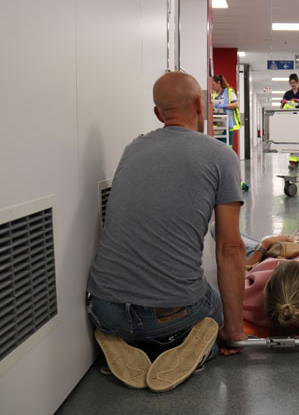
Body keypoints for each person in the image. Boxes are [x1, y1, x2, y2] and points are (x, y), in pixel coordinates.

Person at [86, 72, 247, 392]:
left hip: (103, 308)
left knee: (133, 310)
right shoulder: (221, 156)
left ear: (159, 114)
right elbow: (230, 249)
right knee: (213, 301)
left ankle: (120, 339)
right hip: (172, 318)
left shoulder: (133, 149)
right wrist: (235, 331)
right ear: (201, 103)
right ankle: (199, 347)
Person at [212, 74, 241, 151]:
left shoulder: (229, 92)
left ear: (218, 82)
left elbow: (236, 104)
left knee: (227, 145)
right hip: (217, 124)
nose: (212, 87)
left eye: (213, 84)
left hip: (228, 123)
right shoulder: (213, 94)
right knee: (217, 145)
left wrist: (223, 105)